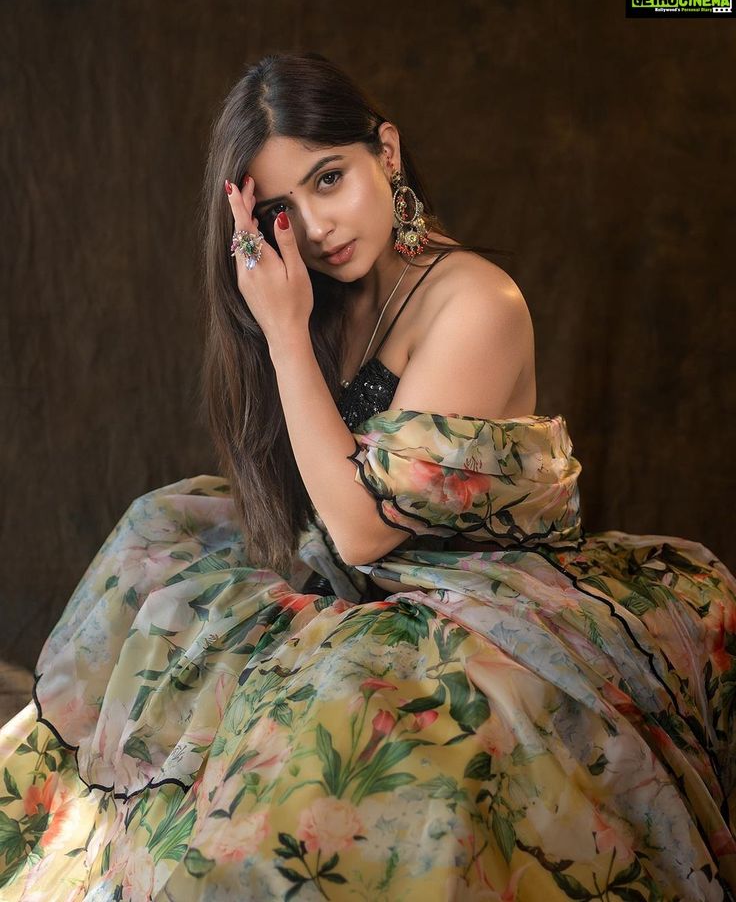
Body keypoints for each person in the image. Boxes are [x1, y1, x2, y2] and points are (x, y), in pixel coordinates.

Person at [0, 51, 733, 902]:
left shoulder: (476, 303)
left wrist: (282, 331)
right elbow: (310, 509)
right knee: (158, 556)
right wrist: (280, 320)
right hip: (349, 592)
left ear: (386, 152)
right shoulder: (327, 296)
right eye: (280, 209)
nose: (316, 228)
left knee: (328, 789)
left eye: (329, 178)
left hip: (471, 609)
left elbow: (361, 528)